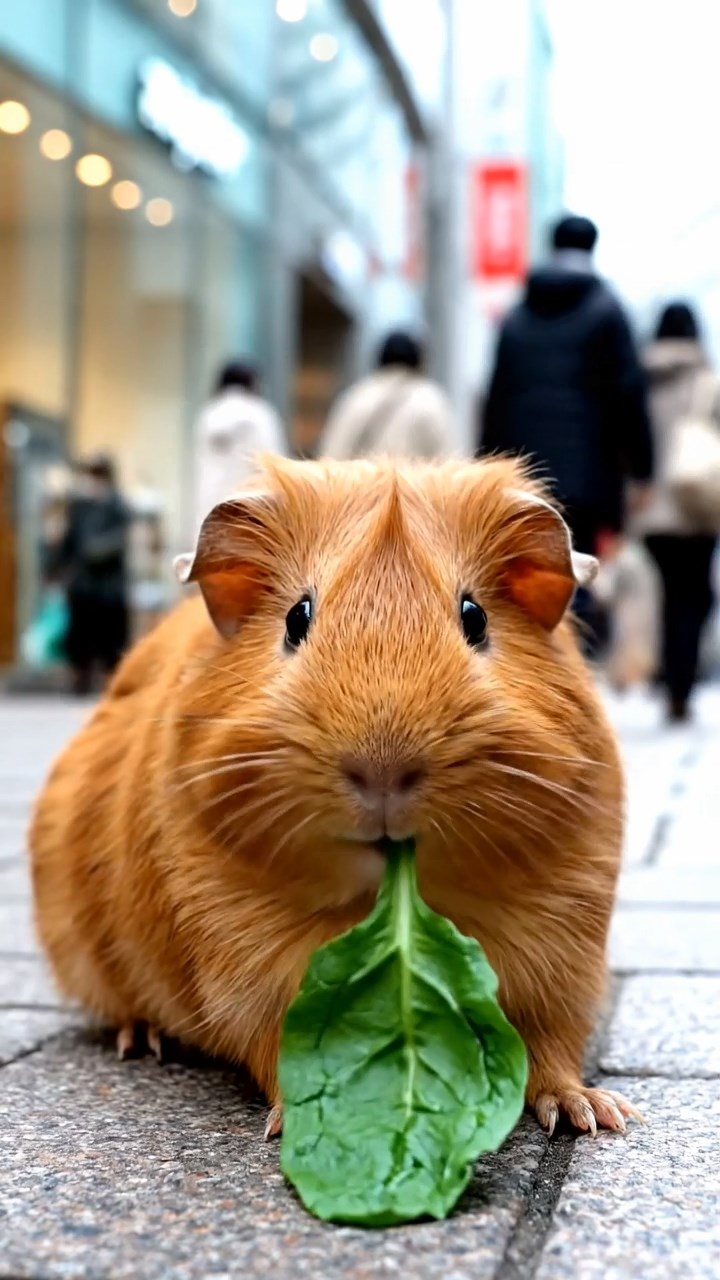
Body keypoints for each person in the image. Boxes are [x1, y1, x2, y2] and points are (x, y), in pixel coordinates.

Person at [478, 214, 654, 649]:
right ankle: (575, 674)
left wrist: (485, 471)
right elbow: (628, 394)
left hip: (522, 472)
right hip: (588, 476)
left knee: (528, 573)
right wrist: (643, 468)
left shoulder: (517, 318)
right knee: (579, 573)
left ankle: (537, 667)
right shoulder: (607, 311)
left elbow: (496, 395)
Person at [634, 302, 720, 722]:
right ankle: (681, 686)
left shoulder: (641, 382)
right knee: (697, 596)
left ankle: (672, 683)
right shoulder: (707, 382)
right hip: (699, 506)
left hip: (653, 514)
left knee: (671, 596)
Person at [54, 454, 130, 695]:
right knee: (79, 636)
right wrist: (57, 568)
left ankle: (111, 682)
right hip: (82, 585)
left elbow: (120, 539)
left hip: (108, 586)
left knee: (111, 638)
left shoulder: (118, 505)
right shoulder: (78, 505)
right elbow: (68, 540)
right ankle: (80, 679)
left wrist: (96, 551)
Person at [319, 330, 455, 461]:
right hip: (415, 484)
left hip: (363, 484)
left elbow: (331, 455)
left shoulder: (356, 397)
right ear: (419, 362)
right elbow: (450, 458)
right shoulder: (431, 400)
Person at [194, 359, 285, 538]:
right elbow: (276, 469)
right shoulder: (261, 415)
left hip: (209, 514)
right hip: (250, 514)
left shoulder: (208, 416)